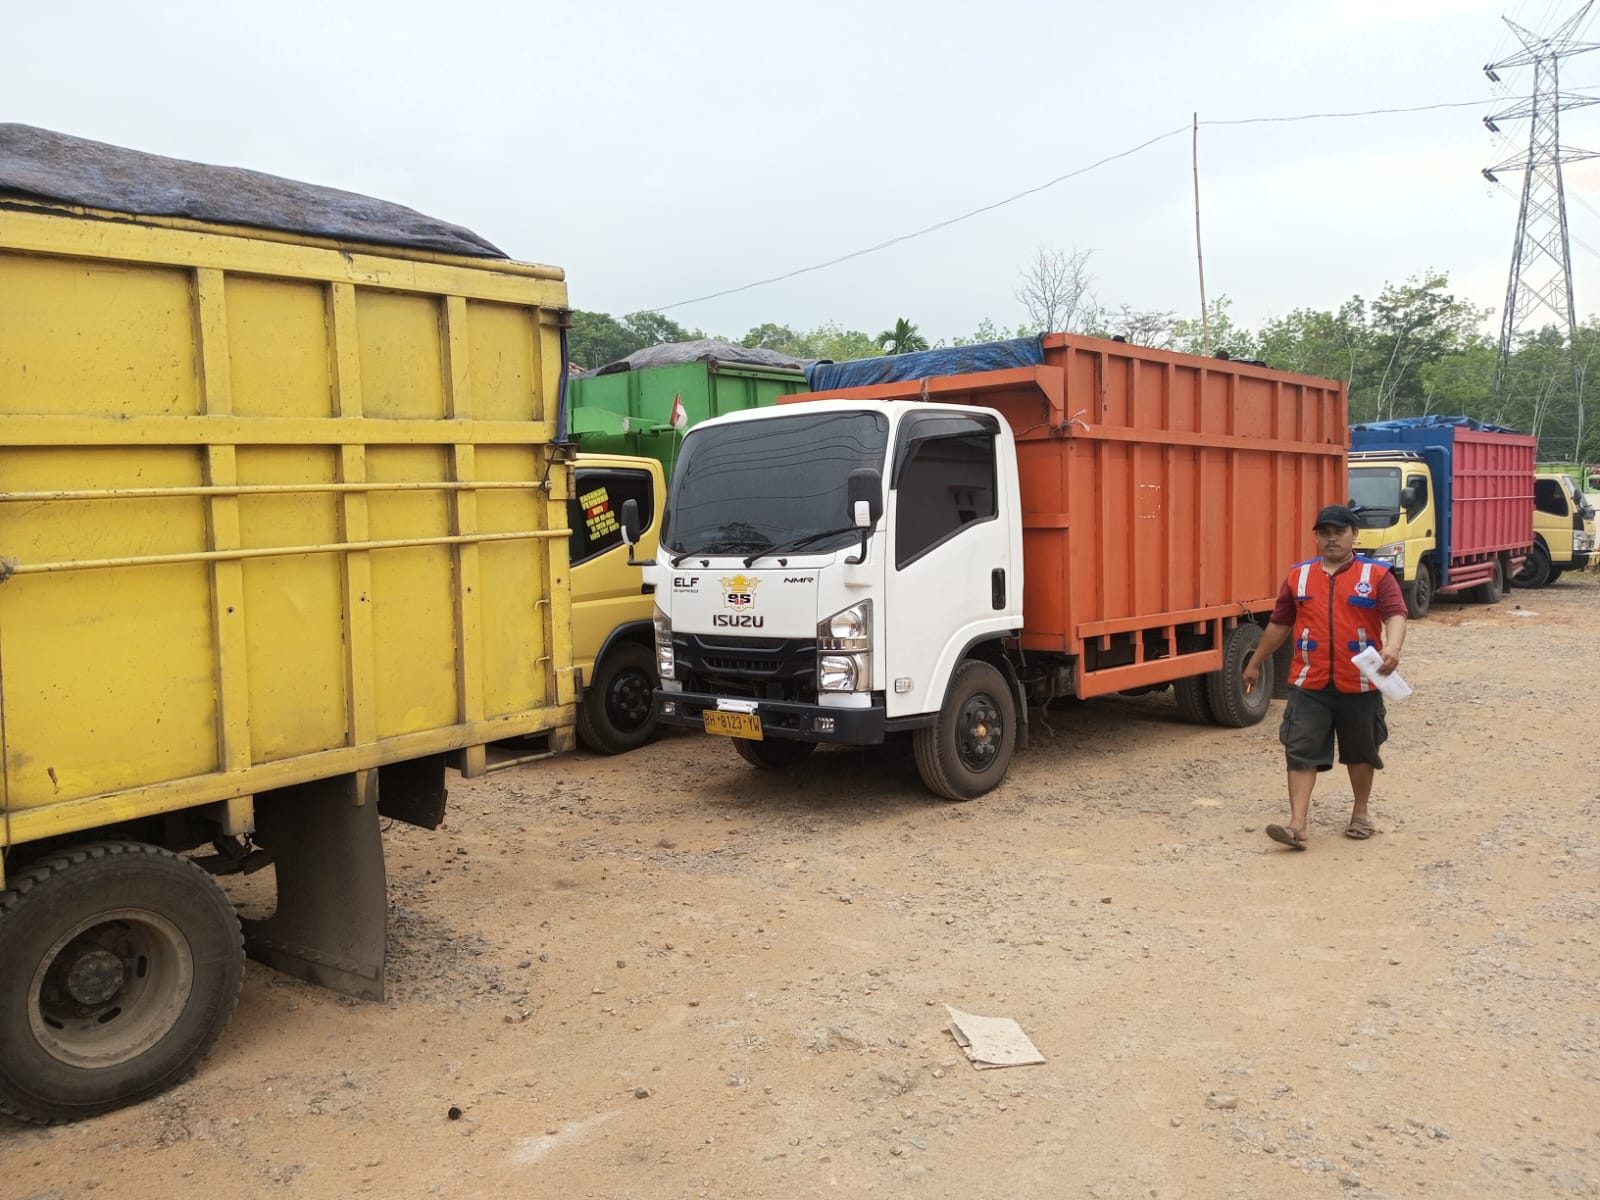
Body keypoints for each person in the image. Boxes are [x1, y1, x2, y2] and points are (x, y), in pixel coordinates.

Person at [1241, 504, 1407, 850]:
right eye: (1325, 532)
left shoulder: (1377, 575)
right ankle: (1297, 826)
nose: (1332, 538)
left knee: (1361, 750)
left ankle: (1360, 813)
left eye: (1340, 531)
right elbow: (1279, 624)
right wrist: (1256, 660)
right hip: (1309, 683)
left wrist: (1392, 647)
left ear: (1354, 535)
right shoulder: (1298, 576)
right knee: (1300, 750)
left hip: (1359, 683)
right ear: (1316, 536)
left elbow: (1395, 614)